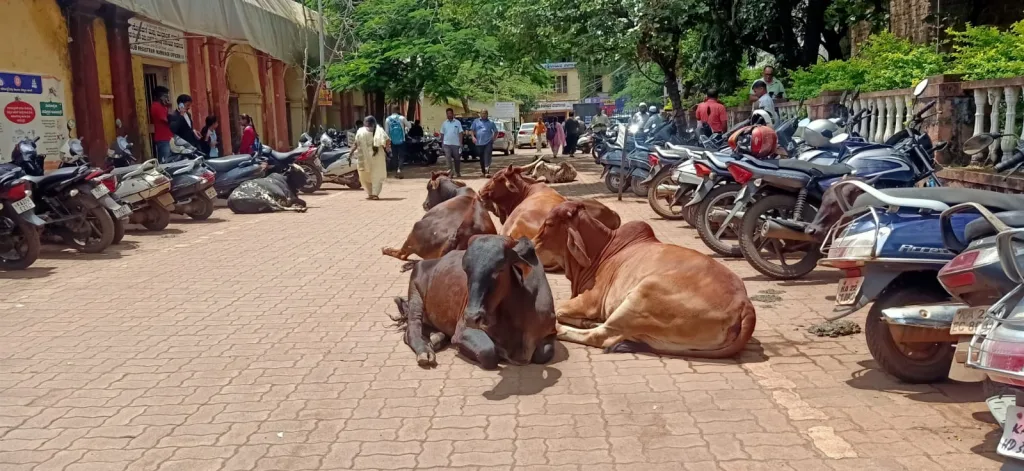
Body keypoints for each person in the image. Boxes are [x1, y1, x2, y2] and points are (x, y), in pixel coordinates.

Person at [351, 116, 389, 200]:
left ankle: (370, 193)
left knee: (364, 176)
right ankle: (375, 194)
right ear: (374, 123)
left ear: (365, 123)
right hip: (377, 156)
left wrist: (350, 153)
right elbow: (387, 141)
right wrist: (387, 149)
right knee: (376, 175)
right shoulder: (380, 130)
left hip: (364, 157)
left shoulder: (360, 131)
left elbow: (356, 144)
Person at [470, 109, 498, 177]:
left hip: (488, 142)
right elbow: (472, 130)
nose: (484, 115)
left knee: (487, 156)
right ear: (480, 114)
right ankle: (483, 171)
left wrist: (493, 139)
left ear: (487, 114)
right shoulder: (476, 121)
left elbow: (496, 131)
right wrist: (473, 137)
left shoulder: (491, 122)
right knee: (481, 157)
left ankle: (487, 171)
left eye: (485, 113)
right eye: (482, 113)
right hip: (479, 143)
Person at [150, 87, 173, 162]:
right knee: (165, 162)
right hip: (163, 139)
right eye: (166, 96)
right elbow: (168, 120)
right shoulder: (156, 106)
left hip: (168, 138)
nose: (167, 98)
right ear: (161, 97)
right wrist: (169, 108)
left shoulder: (164, 106)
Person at [384, 106, 408, 178]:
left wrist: (387, 142)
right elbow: (409, 125)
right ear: (398, 110)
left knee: (394, 156)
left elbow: (386, 132)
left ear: (391, 110)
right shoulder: (402, 118)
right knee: (401, 156)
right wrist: (406, 129)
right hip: (402, 140)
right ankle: (399, 169)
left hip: (392, 141)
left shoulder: (388, 119)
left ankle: (396, 172)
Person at [439, 108, 463, 177]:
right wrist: (442, 143)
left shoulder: (457, 122)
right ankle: (450, 172)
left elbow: (460, 133)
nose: (449, 115)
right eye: (447, 114)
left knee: (457, 159)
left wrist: (460, 143)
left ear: (453, 114)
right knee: (448, 158)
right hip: (447, 144)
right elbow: (442, 133)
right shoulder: (444, 123)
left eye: (450, 113)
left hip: (456, 144)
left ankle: (457, 172)